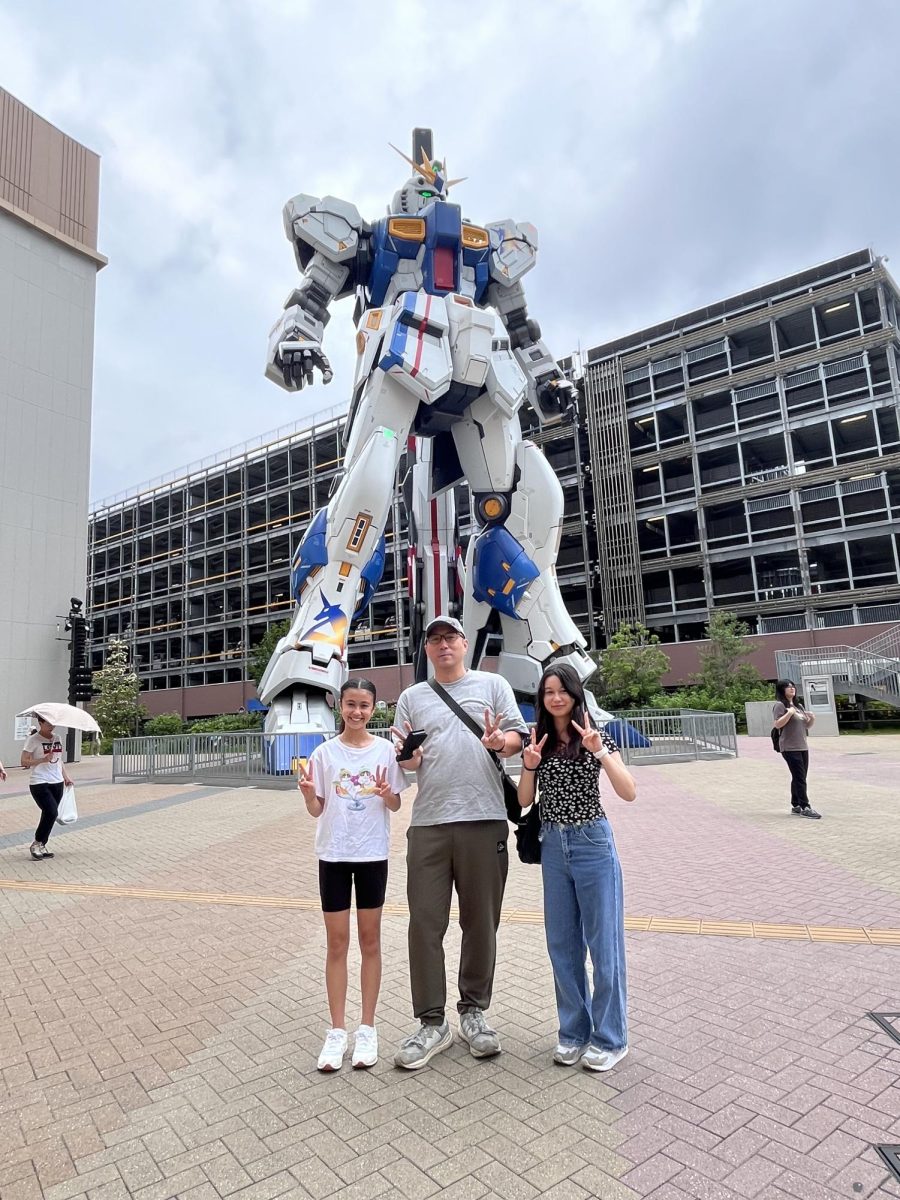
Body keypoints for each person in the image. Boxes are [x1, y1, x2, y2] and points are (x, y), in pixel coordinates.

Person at [391, 616, 527, 1070]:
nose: (443, 644)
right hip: (429, 823)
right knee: (424, 925)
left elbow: (517, 738)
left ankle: (474, 1012)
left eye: (450, 637)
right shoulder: (411, 697)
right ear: (426, 649)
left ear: (465, 643)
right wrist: (408, 757)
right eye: (434, 639)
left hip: (485, 819)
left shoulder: (492, 685)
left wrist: (500, 741)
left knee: (480, 922)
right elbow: (408, 765)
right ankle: (432, 1021)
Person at [517, 663, 636, 1072]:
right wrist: (529, 764)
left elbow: (629, 791)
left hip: (592, 842)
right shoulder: (540, 739)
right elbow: (523, 801)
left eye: (561, 690)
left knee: (604, 946)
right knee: (563, 946)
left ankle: (610, 1038)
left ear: (573, 693)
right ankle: (573, 1032)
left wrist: (600, 751)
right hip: (553, 844)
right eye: (548, 691)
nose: (555, 698)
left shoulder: (593, 732)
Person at [297, 678, 404, 1071]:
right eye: (350, 704)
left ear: (374, 709)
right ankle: (337, 1031)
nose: (357, 712)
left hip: (372, 853)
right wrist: (309, 794)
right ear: (339, 706)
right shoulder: (324, 754)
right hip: (334, 855)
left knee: (370, 939)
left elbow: (394, 804)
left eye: (364, 705)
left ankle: (367, 1028)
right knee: (337, 942)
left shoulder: (386, 752)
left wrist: (383, 792)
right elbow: (318, 809)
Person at [20, 716, 72, 859]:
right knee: (51, 812)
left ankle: (42, 844)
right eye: (48, 723)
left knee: (50, 814)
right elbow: (24, 761)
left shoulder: (57, 738)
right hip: (39, 782)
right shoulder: (33, 740)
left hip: (57, 781)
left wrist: (66, 777)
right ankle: (36, 843)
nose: (51, 725)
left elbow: (59, 760)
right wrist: (42, 760)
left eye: (53, 722)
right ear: (40, 723)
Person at [772, 679, 820, 819]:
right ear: (782, 690)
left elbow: (805, 726)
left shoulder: (799, 706)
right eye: (788, 687)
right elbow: (777, 724)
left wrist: (812, 719)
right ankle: (805, 806)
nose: (792, 689)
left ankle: (796, 804)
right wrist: (789, 713)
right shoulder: (780, 706)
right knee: (799, 777)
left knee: (800, 776)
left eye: (793, 687)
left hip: (802, 745)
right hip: (789, 747)